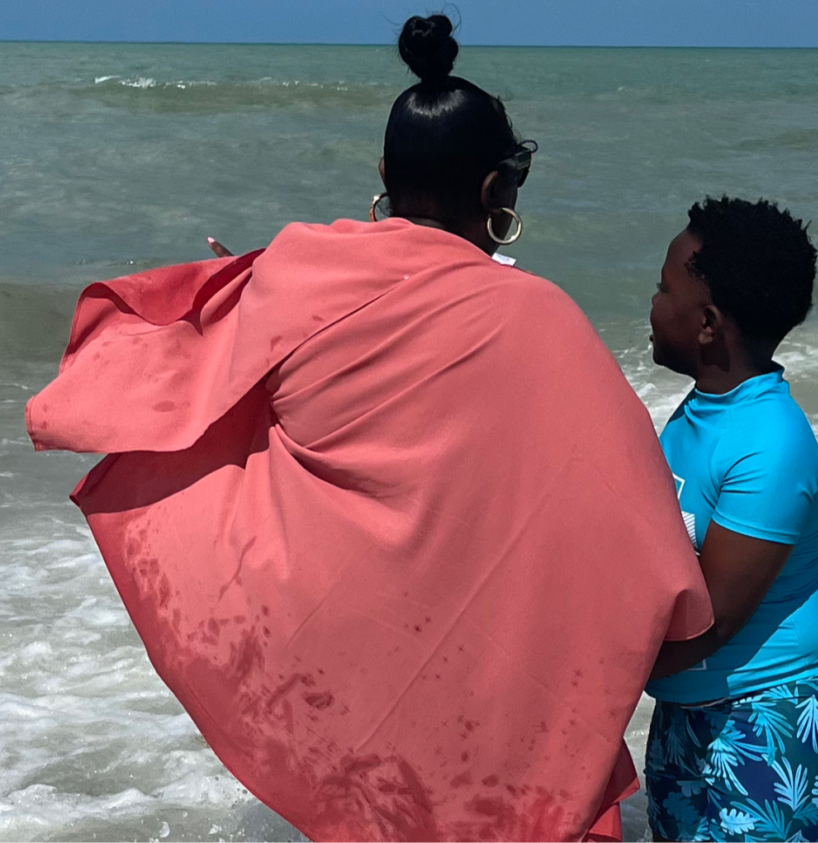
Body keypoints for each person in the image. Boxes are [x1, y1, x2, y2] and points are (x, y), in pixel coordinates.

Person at [25, 15, 713, 843]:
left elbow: (181, 373)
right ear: (499, 190)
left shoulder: (295, 267)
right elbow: (621, 509)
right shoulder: (543, 319)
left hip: (353, 654)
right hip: (488, 664)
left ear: (385, 173)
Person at [643, 197, 818, 843]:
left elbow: (710, 619)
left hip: (774, 714)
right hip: (689, 709)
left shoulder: (770, 443)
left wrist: (585, 672)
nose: (652, 303)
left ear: (708, 323)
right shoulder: (701, 412)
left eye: (663, 287)